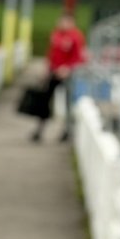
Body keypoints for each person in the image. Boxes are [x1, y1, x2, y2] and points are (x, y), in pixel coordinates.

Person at [31, 12, 87, 142]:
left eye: (65, 22)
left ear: (72, 23)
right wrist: (46, 70)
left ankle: (67, 131)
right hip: (53, 73)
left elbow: (79, 57)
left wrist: (67, 68)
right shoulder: (56, 35)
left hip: (68, 76)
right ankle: (39, 130)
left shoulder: (76, 37)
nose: (62, 24)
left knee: (68, 103)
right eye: (61, 21)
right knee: (45, 101)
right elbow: (51, 54)